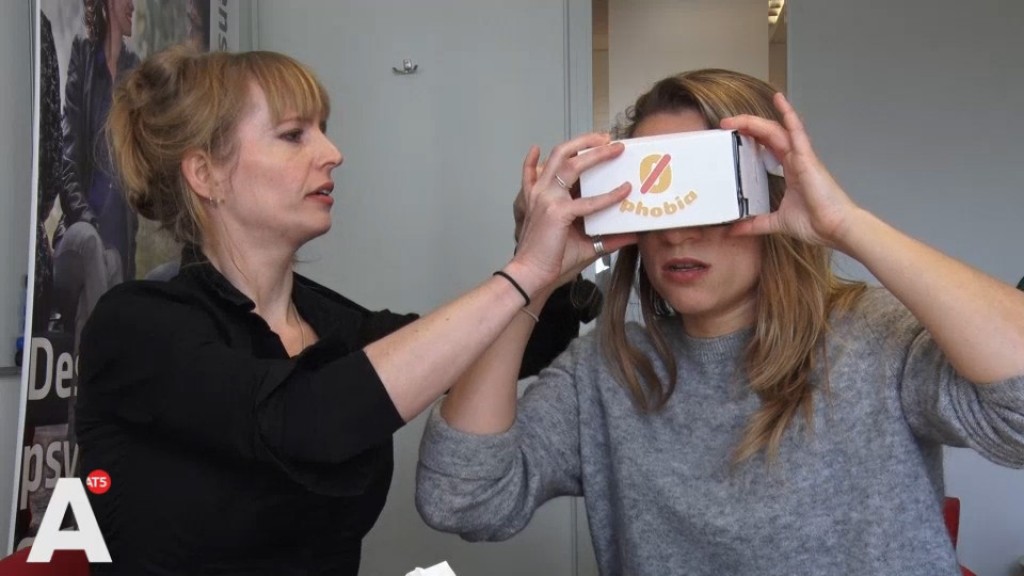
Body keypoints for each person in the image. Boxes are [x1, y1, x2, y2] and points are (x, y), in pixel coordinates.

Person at [415, 69, 1024, 575]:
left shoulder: (873, 339)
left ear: (770, 192)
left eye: (708, 193)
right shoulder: (608, 371)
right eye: (661, 201)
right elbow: (463, 499)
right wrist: (529, 275)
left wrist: (848, 226)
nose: (680, 231)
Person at [73, 44, 632, 575]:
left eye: (324, 131)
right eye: (294, 135)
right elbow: (309, 422)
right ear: (206, 174)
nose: (332, 154)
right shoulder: (136, 327)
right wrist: (524, 273)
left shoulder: (328, 321)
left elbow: (490, 347)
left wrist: (544, 266)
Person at [52, 0, 139, 346]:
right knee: (92, 245)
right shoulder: (83, 56)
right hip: (79, 234)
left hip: (118, 246)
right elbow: (67, 161)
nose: (133, 6)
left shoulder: (135, 71)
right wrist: (88, 218)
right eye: (126, 0)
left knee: (114, 262)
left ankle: (89, 390)